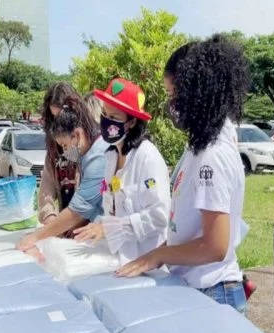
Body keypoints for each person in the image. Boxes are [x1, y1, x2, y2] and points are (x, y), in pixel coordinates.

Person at [116, 34, 249, 314]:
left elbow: (215, 247)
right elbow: (188, 227)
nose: (172, 105)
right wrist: (159, 254)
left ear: (199, 93)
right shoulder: (199, 147)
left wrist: (158, 254)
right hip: (197, 288)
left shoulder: (212, 155)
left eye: (175, 94)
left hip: (213, 293)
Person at [72, 78, 170, 265]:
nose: (107, 121)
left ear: (132, 122)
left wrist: (110, 229)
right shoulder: (111, 156)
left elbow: (160, 215)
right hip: (119, 259)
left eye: (115, 118)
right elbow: (113, 207)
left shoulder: (147, 157)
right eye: (104, 114)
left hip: (146, 264)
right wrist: (102, 225)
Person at [17, 93, 107, 251]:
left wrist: (37, 237)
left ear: (77, 135)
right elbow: (47, 189)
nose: (65, 152)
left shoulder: (98, 156)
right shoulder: (87, 154)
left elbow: (79, 210)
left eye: (65, 145)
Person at [38, 84, 103, 229]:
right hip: (66, 225)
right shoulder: (57, 147)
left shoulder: (89, 146)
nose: (60, 122)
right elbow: (46, 188)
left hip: (88, 226)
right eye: (54, 118)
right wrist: (49, 216)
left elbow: (83, 204)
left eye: (63, 114)